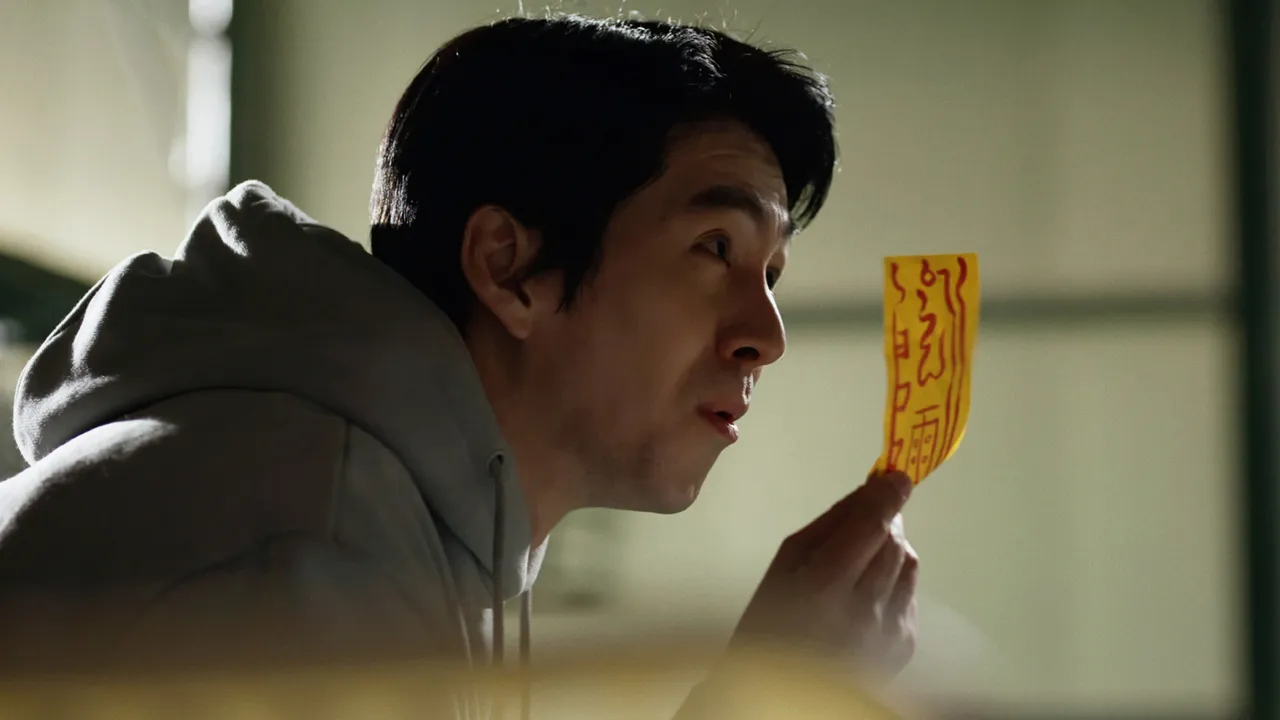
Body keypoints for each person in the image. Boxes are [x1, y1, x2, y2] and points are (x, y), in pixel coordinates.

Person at [0, 13, 918, 717]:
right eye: (716, 248)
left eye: (771, 274)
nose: (766, 335)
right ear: (508, 268)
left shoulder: (418, 522)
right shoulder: (304, 538)